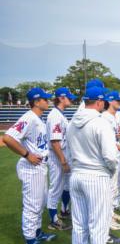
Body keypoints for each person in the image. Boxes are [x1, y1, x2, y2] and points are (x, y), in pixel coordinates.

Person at [67, 86, 120, 244]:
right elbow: (110, 156)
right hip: (96, 175)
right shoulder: (101, 122)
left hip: (76, 174)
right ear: (100, 102)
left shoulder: (71, 122)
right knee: (98, 223)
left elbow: (68, 150)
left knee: (79, 222)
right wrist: (110, 171)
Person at [3, 87, 57, 244]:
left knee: (40, 203)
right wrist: (27, 154)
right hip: (31, 167)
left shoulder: (38, 119)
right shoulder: (29, 118)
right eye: (44, 99)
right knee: (32, 205)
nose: (47, 101)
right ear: (36, 101)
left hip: (40, 166)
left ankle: (37, 233)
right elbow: (8, 138)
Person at [46, 87, 77, 231]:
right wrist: (63, 161)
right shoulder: (55, 116)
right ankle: (53, 220)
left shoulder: (60, 114)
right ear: (61, 98)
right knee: (56, 187)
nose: (71, 99)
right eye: (68, 97)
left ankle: (64, 211)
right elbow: (54, 141)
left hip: (63, 154)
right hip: (57, 156)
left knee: (66, 185)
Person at [102, 91, 120, 232]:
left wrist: (118, 136)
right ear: (110, 101)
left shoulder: (115, 116)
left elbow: (114, 135)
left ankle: (111, 212)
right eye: (118, 100)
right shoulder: (105, 117)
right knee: (109, 187)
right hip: (110, 155)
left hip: (115, 154)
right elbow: (106, 141)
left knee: (115, 184)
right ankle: (108, 218)